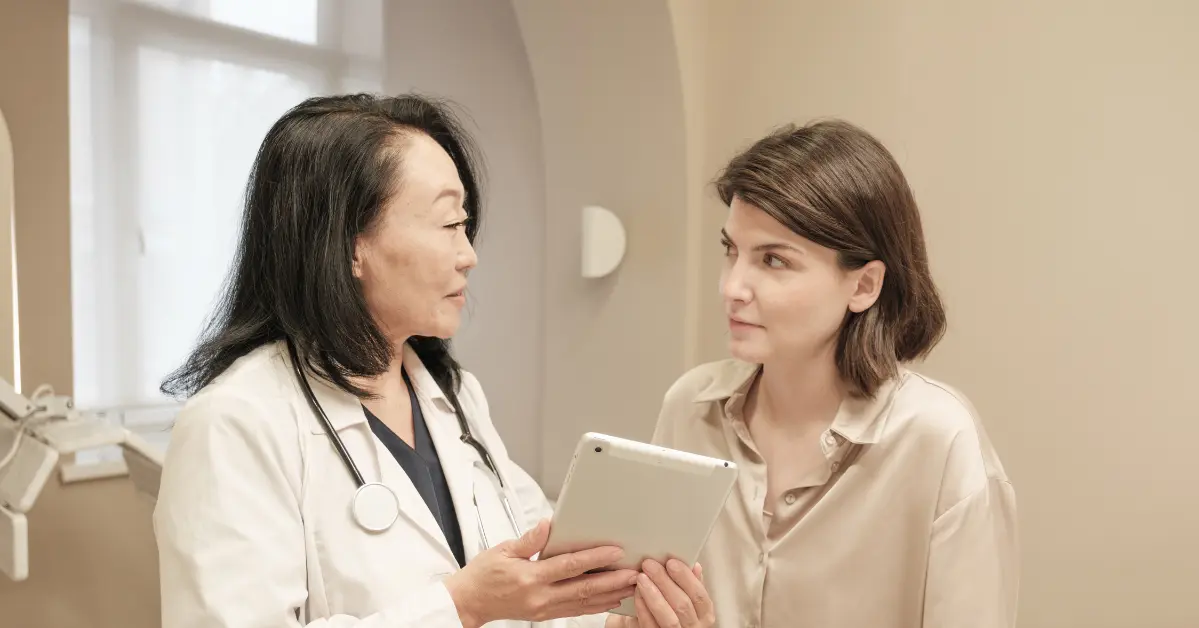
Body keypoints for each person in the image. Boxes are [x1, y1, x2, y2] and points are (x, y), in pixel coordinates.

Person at [153, 93, 715, 628]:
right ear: (350, 246)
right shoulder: (235, 423)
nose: (469, 256)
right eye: (449, 225)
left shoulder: (454, 396)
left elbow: (536, 585)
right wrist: (460, 607)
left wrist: (626, 614)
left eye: (466, 226)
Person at [651, 120, 1018, 628]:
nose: (733, 286)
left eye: (773, 260)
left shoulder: (938, 442)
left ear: (864, 285)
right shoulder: (689, 410)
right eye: (731, 250)